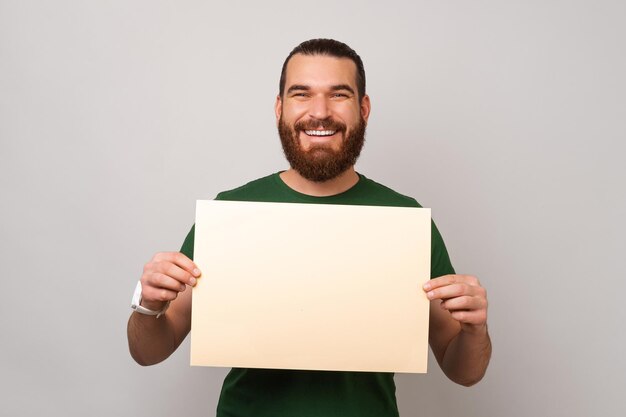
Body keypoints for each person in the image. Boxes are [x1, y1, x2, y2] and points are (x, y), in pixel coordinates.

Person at [127, 38, 491, 417]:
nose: (320, 112)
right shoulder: (232, 213)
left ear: (363, 108)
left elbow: (463, 370)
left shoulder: (404, 219)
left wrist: (474, 329)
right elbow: (150, 350)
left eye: (339, 95)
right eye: (302, 94)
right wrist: (149, 305)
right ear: (280, 108)